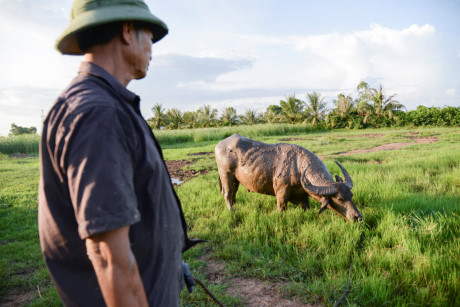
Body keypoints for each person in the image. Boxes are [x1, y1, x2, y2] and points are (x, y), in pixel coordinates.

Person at [38, 0, 199, 305]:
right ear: (127, 30)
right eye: (149, 35)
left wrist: (167, 262)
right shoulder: (98, 114)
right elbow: (108, 258)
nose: (152, 47)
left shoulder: (102, 104)